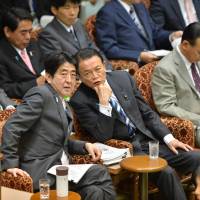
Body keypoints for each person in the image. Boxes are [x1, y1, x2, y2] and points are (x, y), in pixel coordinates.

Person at [70, 48, 200, 200]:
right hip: (126, 149)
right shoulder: (79, 100)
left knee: (197, 157)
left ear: (104, 65)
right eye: (87, 73)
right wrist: (104, 104)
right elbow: (102, 136)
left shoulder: (122, 78)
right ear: (79, 76)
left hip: (149, 141)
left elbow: (147, 113)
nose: (94, 76)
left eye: (98, 69)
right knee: (167, 172)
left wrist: (169, 139)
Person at [1, 51, 116, 200]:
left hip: (61, 170)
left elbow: (56, 140)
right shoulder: (41, 94)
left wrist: (85, 146)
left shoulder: (63, 100)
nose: (69, 80)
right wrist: (10, 164)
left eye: (73, 74)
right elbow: (12, 126)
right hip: (42, 172)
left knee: (94, 192)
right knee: (99, 172)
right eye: (63, 74)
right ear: (48, 77)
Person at [95, 0, 182, 65]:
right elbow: (109, 49)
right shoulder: (107, 13)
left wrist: (171, 36)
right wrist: (139, 56)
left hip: (156, 61)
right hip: (135, 65)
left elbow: (155, 33)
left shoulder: (140, 6)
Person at [152, 22, 200, 133]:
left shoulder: (196, 57)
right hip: (193, 125)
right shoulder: (165, 69)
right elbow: (166, 106)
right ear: (185, 45)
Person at [39, 0, 112, 70]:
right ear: (54, 10)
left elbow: (93, 47)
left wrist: (105, 65)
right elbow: (59, 63)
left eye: (76, 7)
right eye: (67, 8)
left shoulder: (78, 24)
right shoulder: (48, 34)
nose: (73, 13)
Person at [0, 7, 45, 99]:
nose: (28, 37)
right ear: (7, 31)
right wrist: (36, 83)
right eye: (23, 32)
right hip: (24, 101)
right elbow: (6, 89)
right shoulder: (2, 54)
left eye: (30, 31)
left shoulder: (33, 44)